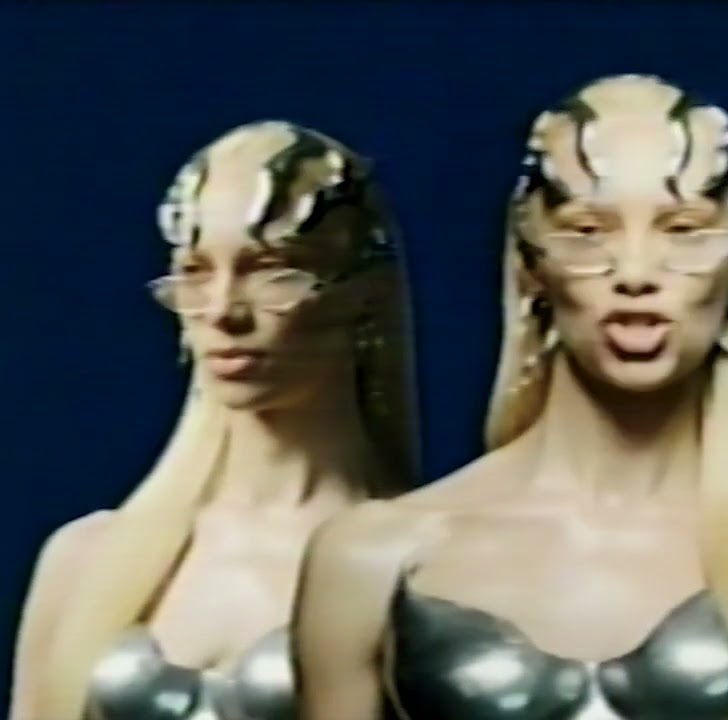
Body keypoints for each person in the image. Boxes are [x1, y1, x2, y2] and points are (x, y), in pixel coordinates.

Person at [293, 74, 728, 720]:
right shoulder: (374, 557)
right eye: (587, 230)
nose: (636, 274)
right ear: (531, 262)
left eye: (685, 229)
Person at [9, 120, 421, 720]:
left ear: (364, 293)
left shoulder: (415, 569)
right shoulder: (85, 559)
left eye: (273, 269)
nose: (224, 311)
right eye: (195, 271)